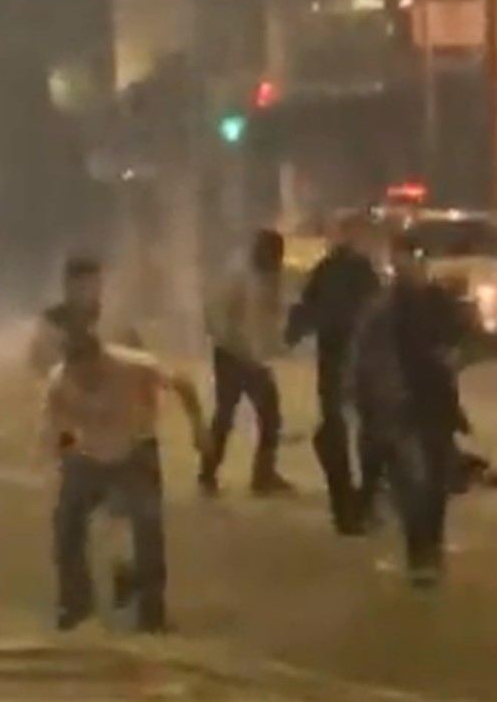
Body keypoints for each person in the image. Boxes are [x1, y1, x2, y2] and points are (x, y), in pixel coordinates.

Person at [40, 318, 210, 633]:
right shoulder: (60, 380)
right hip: (88, 455)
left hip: (135, 450)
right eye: (78, 373)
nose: (86, 380)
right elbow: (56, 427)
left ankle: (151, 614)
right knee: (66, 529)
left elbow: (182, 384)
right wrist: (66, 456)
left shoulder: (134, 367)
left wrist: (198, 428)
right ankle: (75, 605)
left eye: (91, 372)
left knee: (148, 531)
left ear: (101, 358)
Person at [350, 231, 475, 587]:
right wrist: (371, 399)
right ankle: (419, 555)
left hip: (433, 403)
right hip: (402, 405)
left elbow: (462, 340)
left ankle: (430, 550)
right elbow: (365, 357)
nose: (411, 265)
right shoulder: (382, 309)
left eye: (416, 257)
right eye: (404, 257)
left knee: (434, 482)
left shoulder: (436, 301)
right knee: (413, 482)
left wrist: (456, 354)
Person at [286, 211, 382, 534]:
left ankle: (351, 505)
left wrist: (292, 334)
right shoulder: (357, 272)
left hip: (342, 358)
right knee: (356, 432)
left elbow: (307, 308)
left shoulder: (331, 270)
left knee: (341, 430)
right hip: (353, 359)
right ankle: (355, 505)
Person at [199, 228, 293, 497]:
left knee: (268, 415)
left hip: (253, 358)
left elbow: (268, 319)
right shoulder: (237, 275)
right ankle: (209, 473)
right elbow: (215, 314)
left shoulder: (269, 278)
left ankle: (262, 475)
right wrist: (235, 346)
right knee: (225, 416)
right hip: (231, 355)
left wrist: (272, 347)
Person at [28, 255, 104, 385]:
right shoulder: (52, 322)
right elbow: (38, 366)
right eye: (83, 287)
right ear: (68, 288)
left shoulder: (107, 318)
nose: (93, 293)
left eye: (97, 286)